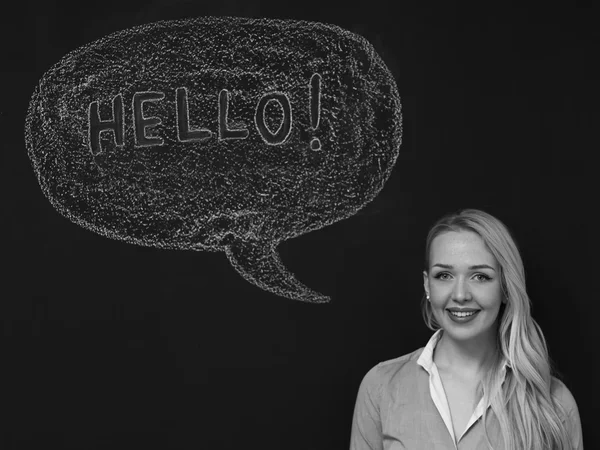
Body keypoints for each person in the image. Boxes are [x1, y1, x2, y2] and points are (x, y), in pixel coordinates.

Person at [349, 209, 583, 449]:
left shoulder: (553, 403)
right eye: (444, 275)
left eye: (480, 276)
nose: (460, 295)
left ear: (505, 288)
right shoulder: (380, 387)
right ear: (427, 284)